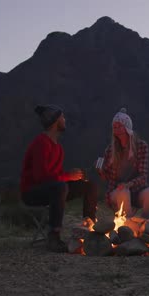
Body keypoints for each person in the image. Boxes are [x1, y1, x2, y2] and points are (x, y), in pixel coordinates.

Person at [20, 104, 98, 252]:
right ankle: (54, 237)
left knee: (89, 185)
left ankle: (90, 227)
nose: (65, 119)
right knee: (60, 187)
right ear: (56, 122)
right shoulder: (41, 143)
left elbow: (54, 175)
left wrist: (73, 177)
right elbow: (41, 177)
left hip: (52, 189)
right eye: (62, 117)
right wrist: (68, 176)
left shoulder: (58, 148)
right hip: (32, 192)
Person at [97, 108, 149, 219]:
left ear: (127, 127)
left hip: (136, 190)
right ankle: (128, 228)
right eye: (114, 127)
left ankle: (144, 226)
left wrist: (129, 184)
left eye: (119, 126)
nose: (116, 129)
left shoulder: (141, 146)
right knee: (123, 192)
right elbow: (108, 177)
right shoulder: (111, 150)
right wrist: (101, 171)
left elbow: (143, 176)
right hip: (117, 192)